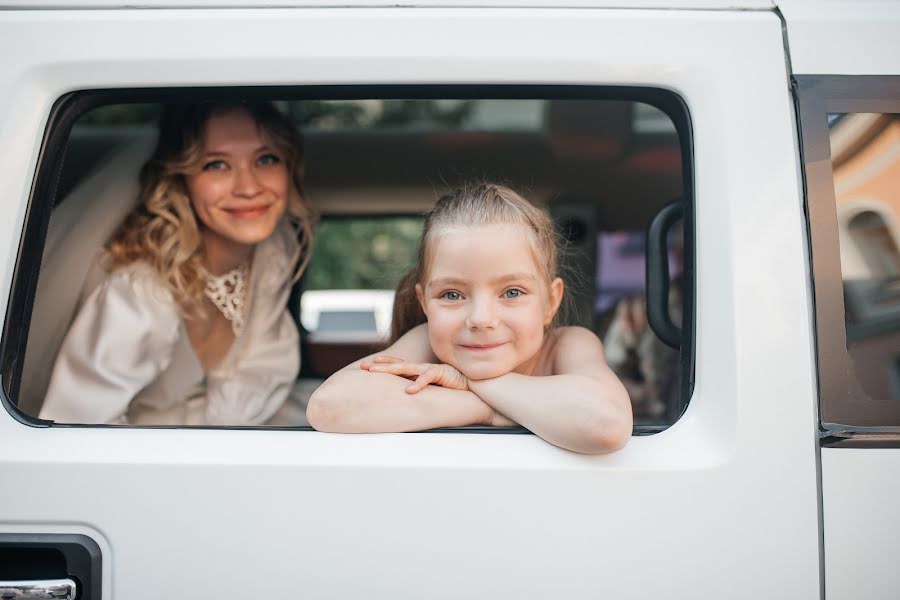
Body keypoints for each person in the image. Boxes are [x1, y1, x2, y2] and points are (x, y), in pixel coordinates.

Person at [39, 101, 315, 425]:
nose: (249, 187)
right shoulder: (139, 293)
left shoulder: (273, 252)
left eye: (265, 159)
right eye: (216, 165)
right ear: (179, 179)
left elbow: (262, 369)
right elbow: (80, 425)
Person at [307, 183, 632, 454]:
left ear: (550, 302)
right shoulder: (428, 341)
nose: (480, 319)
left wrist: (472, 384)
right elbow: (329, 407)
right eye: (452, 295)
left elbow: (607, 424)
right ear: (424, 303)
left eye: (512, 292)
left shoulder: (568, 344)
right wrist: (488, 407)